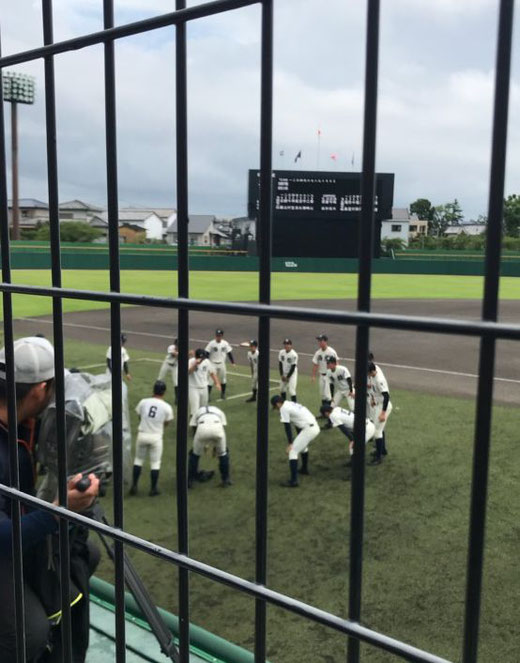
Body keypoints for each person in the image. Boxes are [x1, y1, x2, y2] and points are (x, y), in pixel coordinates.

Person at [0, 337, 99, 663]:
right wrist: (59, 512)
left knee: (87, 553)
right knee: (30, 632)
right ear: (40, 390)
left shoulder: (20, 418)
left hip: (14, 524)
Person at [129, 380, 174, 497]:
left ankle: (134, 485)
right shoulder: (167, 407)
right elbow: (167, 422)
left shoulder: (143, 402)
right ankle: (153, 489)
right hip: (156, 437)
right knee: (155, 463)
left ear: (153, 390)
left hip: (142, 434)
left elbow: (139, 415)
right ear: (164, 392)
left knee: (138, 460)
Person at [271, 395, 320, 487]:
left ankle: (294, 481)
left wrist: (290, 443)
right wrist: (298, 436)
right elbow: (298, 422)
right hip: (313, 426)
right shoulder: (290, 403)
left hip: (309, 429)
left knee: (292, 451)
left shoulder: (283, 408)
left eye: (275, 406)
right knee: (303, 447)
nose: (276, 409)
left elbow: (287, 426)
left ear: (278, 404)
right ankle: (304, 469)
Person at [188, 405, 231, 488]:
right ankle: (226, 479)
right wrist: (216, 446)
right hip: (217, 428)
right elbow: (223, 426)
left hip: (202, 429)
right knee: (223, 454)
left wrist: (202, 445)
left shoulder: (198, 411)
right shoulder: (219, 410)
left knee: (194, 454)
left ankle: (190, 480)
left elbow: (193, 426)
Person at [367, 361, 392, 464]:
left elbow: (386, 396)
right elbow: (373, 390)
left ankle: (378, 457)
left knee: (377, 432)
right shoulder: (372, 376)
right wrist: (373, 399)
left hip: (384, 407)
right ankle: (383, 450)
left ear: (372, 371)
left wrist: (383, 413)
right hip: (378, 405)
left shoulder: (379, 379)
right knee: (379, 429)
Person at [189, 349, 221, 416]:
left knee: (203, 408)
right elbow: (188, 372)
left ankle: (201, 422)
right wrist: (195, 364)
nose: (203, 359)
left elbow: (212, 373)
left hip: (204, 387)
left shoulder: (207, 362)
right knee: (195, 409)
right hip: (193, 388)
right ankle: (193, 424)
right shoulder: (190, 362)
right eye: (202, 358)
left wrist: (217, 383)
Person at [205, 329, 235, 400]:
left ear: (222, 336)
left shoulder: (225, 343)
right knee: (210, 380)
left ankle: (223, 393)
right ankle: (208, 396)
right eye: (217, 335)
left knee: (223, 379)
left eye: (219, 336)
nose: (218, 337)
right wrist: (206, 362)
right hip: (213, 364)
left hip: (222, 364)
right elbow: (207, 353)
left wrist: (233, 362)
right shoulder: (211, 343)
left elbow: (229, 353)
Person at [311, 333, 338, 411]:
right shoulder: (318, 353)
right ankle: (324, 412)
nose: (319, 343)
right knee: (322, 395)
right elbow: (315, 364)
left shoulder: (331, 352)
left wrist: (334, 375)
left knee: (329, 395)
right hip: (321, 375)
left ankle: (331, 412)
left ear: (325, 342)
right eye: (318, 341)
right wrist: (313, 376)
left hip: (329, 376)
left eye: (321, 341)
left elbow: (336, 364)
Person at [157, 338, 178, 404]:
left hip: (175, 366)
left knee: (176, 382)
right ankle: (156, 394)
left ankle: (177, 399)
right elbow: (173, 354)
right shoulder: (171, 347)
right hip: (167, 364)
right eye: (177, 345)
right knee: (160, 379)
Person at [278, 338, 298, 402]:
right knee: (282, 389)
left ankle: (295, 406)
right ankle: (284, 404)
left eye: (288, 344)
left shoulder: (294, 354)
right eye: (285, 344)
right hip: (284, 373)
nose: (286, 346)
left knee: (292, 391)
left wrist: (288, 377)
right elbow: (280, 363)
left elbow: (293, 367)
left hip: (292, 374)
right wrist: (281, 375)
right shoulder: (281, 352)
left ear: (291, 345)